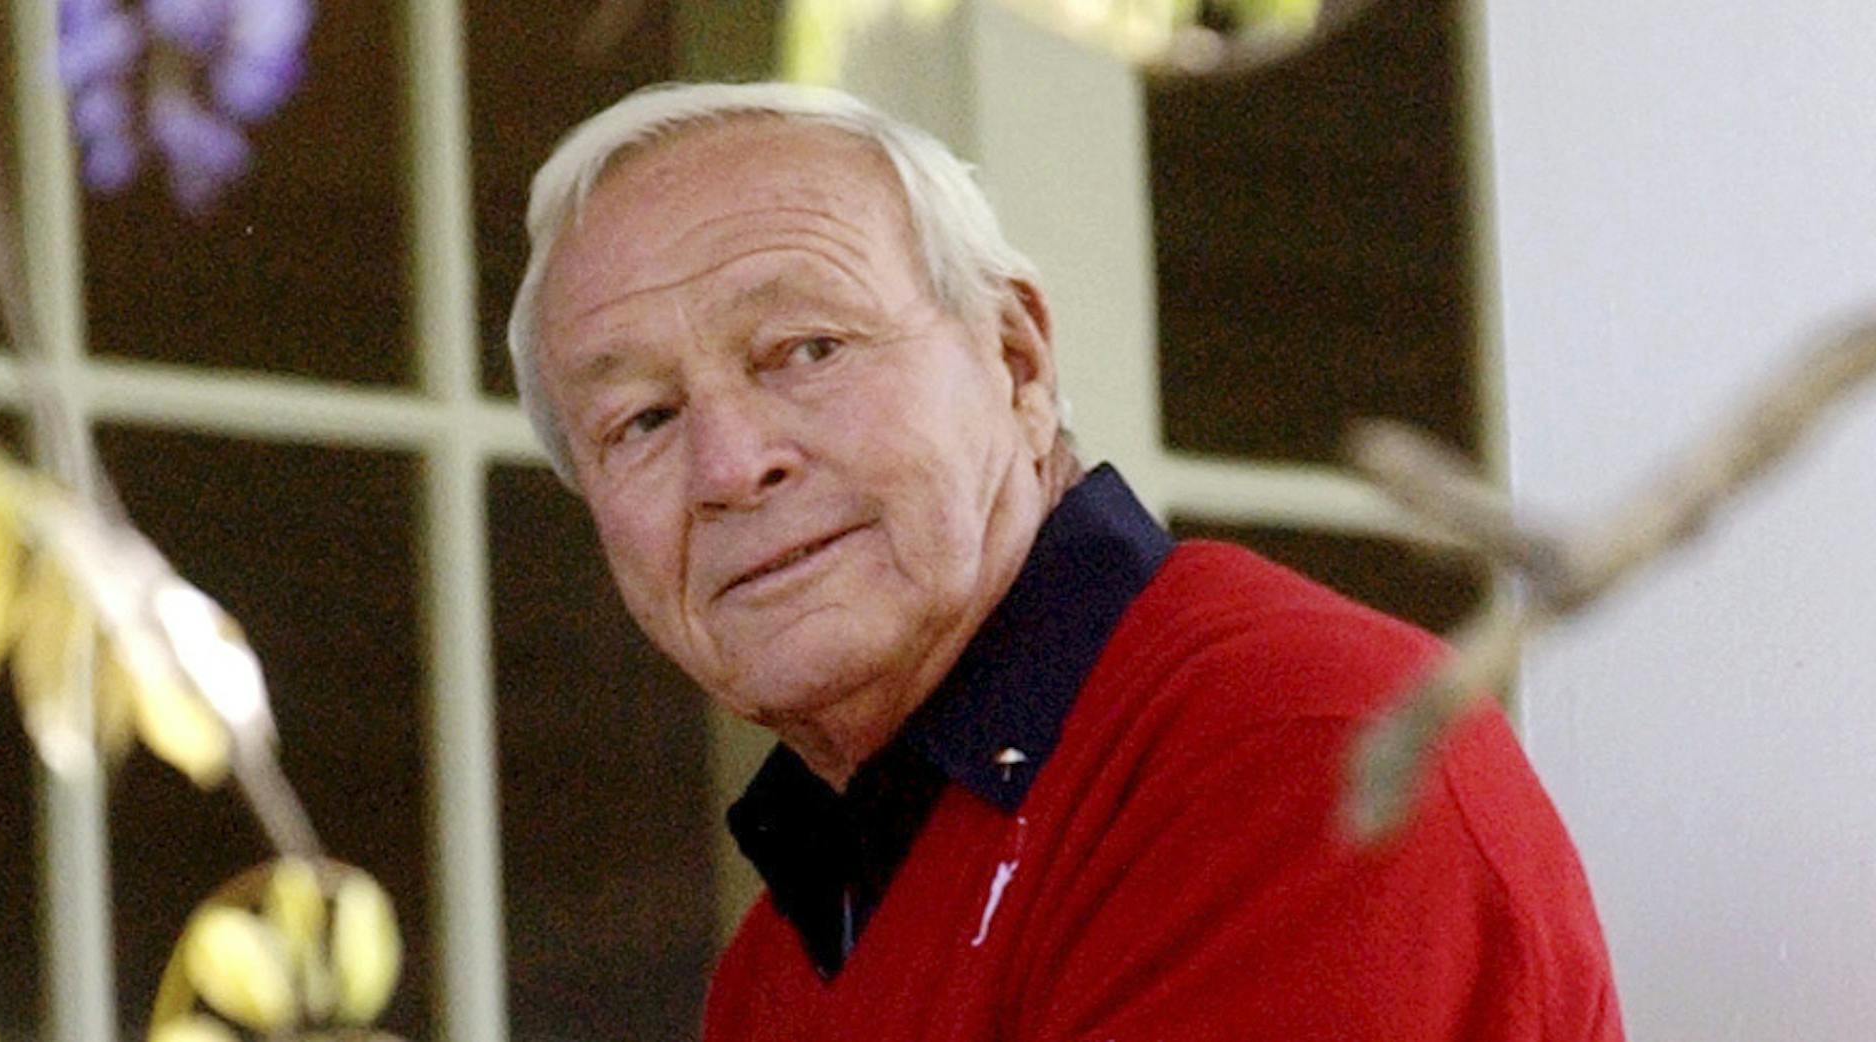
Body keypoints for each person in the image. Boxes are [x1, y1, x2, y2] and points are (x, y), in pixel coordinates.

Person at [506, 81, 1623, 1040]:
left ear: (1016, 359)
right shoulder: (793, 940)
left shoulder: (1287, 740)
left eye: (809, 349)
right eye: (641, 420)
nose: (730, 465)